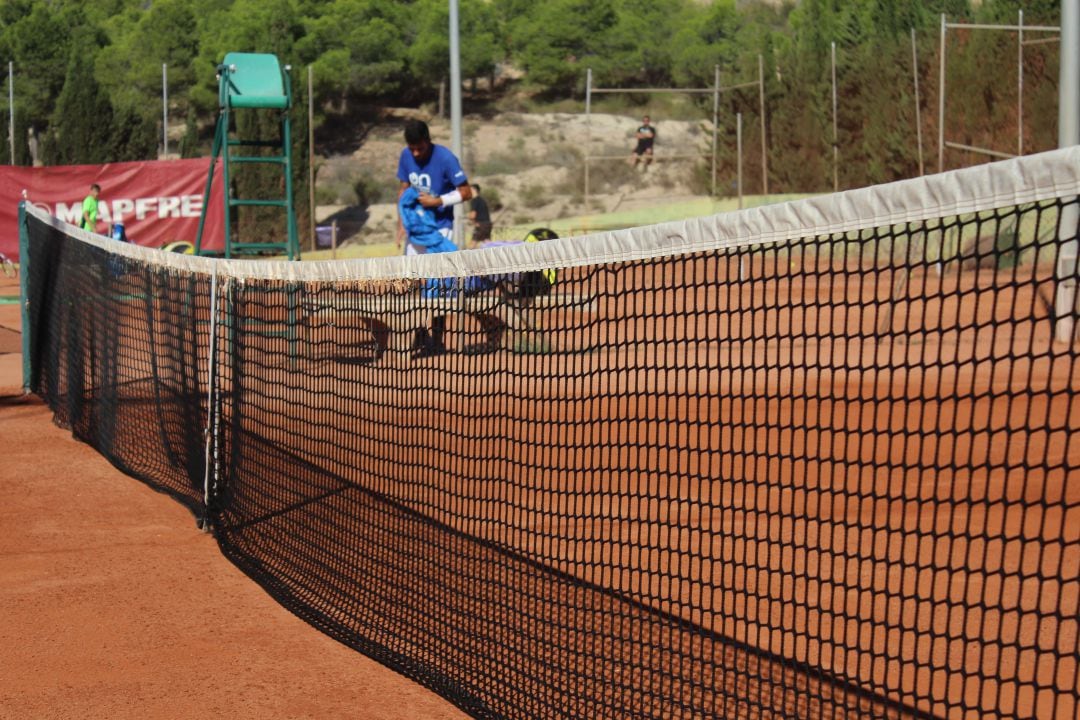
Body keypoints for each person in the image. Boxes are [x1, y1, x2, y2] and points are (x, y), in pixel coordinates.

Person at [395, 120, 473, 358]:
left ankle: (437, 339)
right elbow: (403, 188)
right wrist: (400, 223)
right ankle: (419, 332)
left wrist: (438, 202)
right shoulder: (405, 156)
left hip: (441, 230)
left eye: (420, 148)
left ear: (428, 141)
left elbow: (467, 192)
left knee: (437, 284)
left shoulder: (446, 158)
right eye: (412, 149)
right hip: (416, 231)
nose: (415, 153)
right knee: (414, 281)